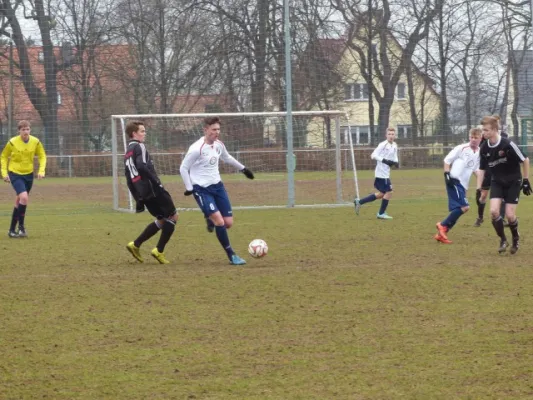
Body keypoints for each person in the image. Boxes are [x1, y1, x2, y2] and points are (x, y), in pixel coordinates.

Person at [179, 116, 254, 265]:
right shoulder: (196, 149)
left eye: (218, 129)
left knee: (228, 223)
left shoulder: (219, 144)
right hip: (201, 189)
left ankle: (209, 217)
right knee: (219, 222)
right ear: (205, 130)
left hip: (218, 187)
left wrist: (243, 169)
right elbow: (183, 167)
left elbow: (227, 157)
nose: (217, 132)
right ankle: (232, 255)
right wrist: (189, 188)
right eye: (214, 129)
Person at [124, 121, 178, 264]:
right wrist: (156, 182)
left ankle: (135, 245)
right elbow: (141, 166)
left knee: (161, 219)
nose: (144, 133)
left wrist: (138, 198)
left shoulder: (127, 152)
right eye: (142, 131)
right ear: (134, 134)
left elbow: (128, 179)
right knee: (173, 216)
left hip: (143, 193)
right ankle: (159, 251)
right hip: (153, 189)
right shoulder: (139, 146)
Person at [476, 115, 530, 254]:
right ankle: (503, 239)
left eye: (486, 130)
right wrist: (479, 187)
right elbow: (481, 169)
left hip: (513, 181)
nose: (484, 133)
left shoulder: (507, 144)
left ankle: (516, 238)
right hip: (497, 181)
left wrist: (525, 180)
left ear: (494, 130)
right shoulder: (484, 148)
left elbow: (525, 160)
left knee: (510, 215)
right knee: (494, 212)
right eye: (483, 130)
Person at [435, 128, 482, 244]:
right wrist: (446, 174)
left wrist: (480, 186)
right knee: (464, 207)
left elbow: (476, 170)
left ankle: (442, 233)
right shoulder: (461, 148)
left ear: (481, 138)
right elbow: (447, 160)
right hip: (454, 180)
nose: (473, 140)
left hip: (463, 184)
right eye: (471, 137)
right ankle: (443, 225)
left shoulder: (479, 152)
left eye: (476, 138)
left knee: (460, 209)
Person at [1, 120, 47, 238]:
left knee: (19, 201)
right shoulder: (12, 142)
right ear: (19, 131)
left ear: (30, 130)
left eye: (27, 129)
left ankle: (11, 230)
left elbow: (42, 156)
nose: (26, 132)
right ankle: (21, 228)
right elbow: (4, 157)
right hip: (15, 173)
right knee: (24, 197)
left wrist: (41, 170)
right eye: (23, 130)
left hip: (28, 175)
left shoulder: (35, 142)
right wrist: (4, 173)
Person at [354, 127, 399, 219]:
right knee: (389, 192)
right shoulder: (383, 144)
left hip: (386, 173)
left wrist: (396, 162)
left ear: (395, 135)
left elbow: (395, 156)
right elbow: (373, 155)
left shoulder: (394, 145)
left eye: (392, 134)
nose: (391, 136)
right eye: (389, 134)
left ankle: (360, 202)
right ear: (386, 135)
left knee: (381, 194)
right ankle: (381, 213)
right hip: (381, 174)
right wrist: (385, 161)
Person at [474, 115, 507, 227]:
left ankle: (501, 218)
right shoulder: (486, 137)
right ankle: (480, 217)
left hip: (500, 170)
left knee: (501, 195)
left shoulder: (504, 137)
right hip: (488, 169)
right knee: (483, 195)